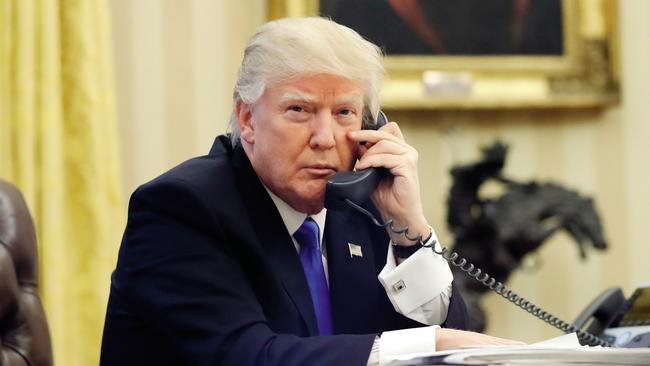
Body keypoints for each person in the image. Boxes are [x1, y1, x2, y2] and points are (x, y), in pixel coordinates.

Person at [100, 17, 521, 366]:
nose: (325, 138)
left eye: (344, 113)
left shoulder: (362, 205)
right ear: (247, 118)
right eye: (299, 110)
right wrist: (432, 343)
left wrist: (409, 230)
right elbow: (247, 356)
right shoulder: (182, 208)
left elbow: (455, 335)